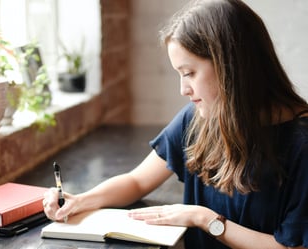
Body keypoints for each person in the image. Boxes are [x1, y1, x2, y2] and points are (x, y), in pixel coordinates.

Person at [43, 0, 308, 248]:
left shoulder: (302, 144)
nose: (183, 89)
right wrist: (80, 201)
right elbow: (137, 181)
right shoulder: (198, 119)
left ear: (231, 65)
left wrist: (205, 219)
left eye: (190, 73)